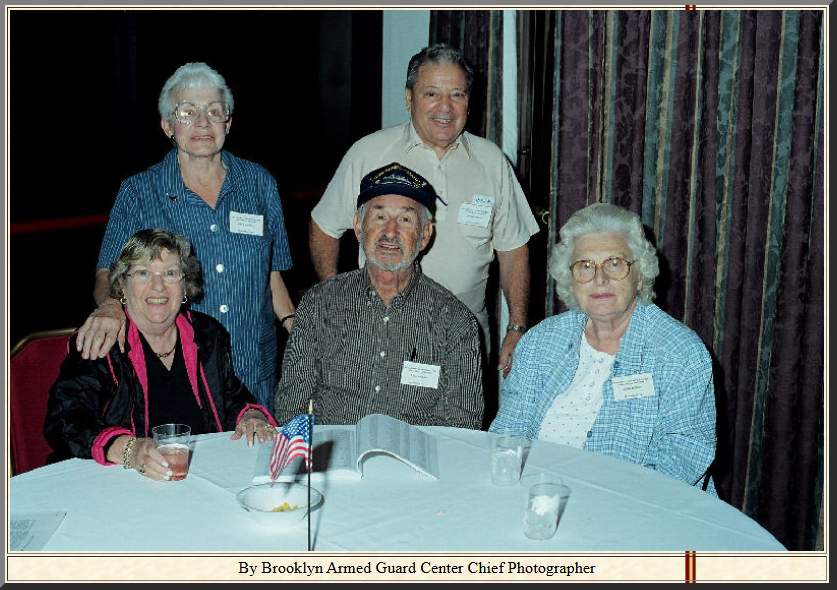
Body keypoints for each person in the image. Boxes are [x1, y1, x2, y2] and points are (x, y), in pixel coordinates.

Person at [309, 43, 539, 376]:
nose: (445, 107)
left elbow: (514, 249)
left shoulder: (492, 161)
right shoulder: (369, 153)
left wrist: (516, 327)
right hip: (381, 335)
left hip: (465, 338)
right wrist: (337, 301)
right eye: (431, 94)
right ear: (409, 99)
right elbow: (323, 226)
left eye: (457, 95)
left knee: (462, 411)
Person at [75, 62, 294, 411]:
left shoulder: (259, 183)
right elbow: (107, 274)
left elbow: (272, 277)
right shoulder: (139, 192)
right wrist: (112, 307)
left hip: (254, 371)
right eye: (187, 112)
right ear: (168, 126)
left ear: (228, 122)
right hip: (179, 376)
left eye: (214, 111)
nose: (203, 122)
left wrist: (299, 332)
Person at [490, 203, 717, 492]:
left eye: (614, 264)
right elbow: (508, 431)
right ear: (570, 280)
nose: (599, 279)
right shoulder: (540, 341)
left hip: (633, 504)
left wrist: (606, 504)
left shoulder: (679, 353)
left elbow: (684, 458)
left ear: (639, 275)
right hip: (538, 492)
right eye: (585, 266)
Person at [44, 229, 276, 481]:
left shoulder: (207, 334)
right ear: (122, 285)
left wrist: (251, 416)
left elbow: (231, 398)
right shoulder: (102, 340)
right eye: (143, 273)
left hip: (200, 477)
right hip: (115, 481)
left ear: (185, 285)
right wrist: (130, 450)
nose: (158, 286)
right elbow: (65, 421)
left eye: (170, 273)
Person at [275, 163, 483, 429]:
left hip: (415, 453)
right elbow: (292, 404)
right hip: (335, 450)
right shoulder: (320, 303)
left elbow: (461, 422)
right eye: (380, 217)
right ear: (358, 227)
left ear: (424, 236)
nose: (390, 231)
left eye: (405, 220)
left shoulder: (454, 321)